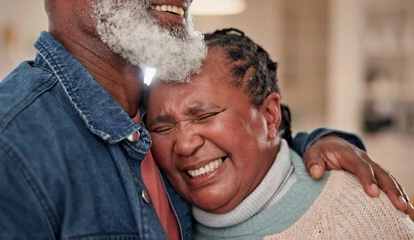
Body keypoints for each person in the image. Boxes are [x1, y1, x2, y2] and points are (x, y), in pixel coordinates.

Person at [0, 0, 411, 239]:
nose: (184, 142)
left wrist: (319, 141)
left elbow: (252, 154)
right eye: (167, 128)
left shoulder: (144, 125)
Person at [146, 28, 414, 239]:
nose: (184, 145)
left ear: (270, 116)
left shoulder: (357, 216)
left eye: (204, 115)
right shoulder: (156, 217)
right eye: (162, 127)